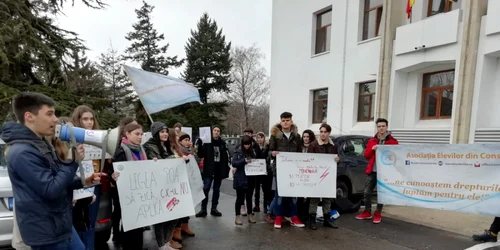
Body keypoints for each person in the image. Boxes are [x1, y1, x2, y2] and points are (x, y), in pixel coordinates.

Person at [1, 92, 101, 250]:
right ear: (29, 117)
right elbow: (50, 189)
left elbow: (56, 179)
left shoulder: (40, 144)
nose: (55, 119)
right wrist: (71, 161)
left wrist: (82, 181)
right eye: (49, 114)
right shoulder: (22, 152)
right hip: (46, 233)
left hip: (59, 225)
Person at [143, 122, 185, 250]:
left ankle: (167, 241)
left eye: (166, 131)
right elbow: (158, 164)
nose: (165, 134)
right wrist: (175, 159)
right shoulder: (149, 146)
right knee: (160, 217)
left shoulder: (167, 146)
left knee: (173, 215)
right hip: (158, 187)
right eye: (162, 131)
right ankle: (161, 244)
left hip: (170, 185)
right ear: (156, 134)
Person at [110, 123, 147, 250]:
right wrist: (113, 176)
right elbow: (113, 173)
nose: (140, 137)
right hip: (126, 196)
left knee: (138, 226)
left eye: (141, 134)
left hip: (140, 194)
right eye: (137, 134)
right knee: (129, 227)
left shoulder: (141, 150)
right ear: (127, 134)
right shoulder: (120, 151)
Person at [355, 118, 398, 224]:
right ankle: (367, 211)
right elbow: (366, 155)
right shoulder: (372, 141)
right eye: (379, 126)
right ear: (377, 128)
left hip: (385, 172)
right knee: (367, 192)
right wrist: (372, 149)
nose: (381, 128)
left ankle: (378, 213)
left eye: (383, 126)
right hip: (373, 170)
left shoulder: (393, 142)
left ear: (387, 127)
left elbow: (396, 156)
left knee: (381, 193)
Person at [70, 105, 100, 250]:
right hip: (78, 186)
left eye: (91, 119)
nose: (89, 122)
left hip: (93, 185)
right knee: (79, 224)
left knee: (90, 223)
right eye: (85, 119)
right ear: (77, 120)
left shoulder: (98, 140)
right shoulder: (70, 139)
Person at [269, 112, 305, 229]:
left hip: (294, 170)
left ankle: (294, 217)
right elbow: (269, 151)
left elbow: (299, 153)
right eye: (283, 120)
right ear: (281, 122)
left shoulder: (297, 136)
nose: (285, 122)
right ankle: (278, 217)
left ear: (291, 121)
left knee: (294, 195)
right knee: (279, 194)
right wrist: (272, 153)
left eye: (287, 120)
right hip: (280, 169)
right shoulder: (275, 136)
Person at [307, 123, 340, 230]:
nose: (323, 134)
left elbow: (336, 160)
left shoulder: (333, 146)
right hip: (316, 176)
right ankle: (312, 220)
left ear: (329, 133)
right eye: (321, 131)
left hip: (328, 176)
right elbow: (309, 160)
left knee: (327, 198)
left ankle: (327, 219)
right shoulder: (313, 145)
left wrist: (337, 160)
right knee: (314, 198)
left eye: (325, 132)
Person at [111, 117, 138, 243]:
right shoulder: (118, 146)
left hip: (134, 186)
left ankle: (124, 233)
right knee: (118, 210)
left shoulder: (138, 147)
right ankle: (117, 233)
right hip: (120, 185)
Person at [195, 126, 230, 217]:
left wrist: (226, 169)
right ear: (212, 132)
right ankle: (203, 209)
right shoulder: (207, 142)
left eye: (218, 131)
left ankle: (214, 208)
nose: (216, 132)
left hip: (219, 169)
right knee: (206, 188)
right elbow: (200, 154)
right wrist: (199, 144)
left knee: (216, 189)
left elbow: (226, 157)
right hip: (209, 169)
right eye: (215, 130)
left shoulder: (222, 143)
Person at [232, 135, 258, 225]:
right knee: (239, 198)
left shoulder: (252, 152)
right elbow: (234, 162)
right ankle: (237, 216)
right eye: (245, 144)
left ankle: (250, 215)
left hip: (250, 178)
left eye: (248, 144)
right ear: (242, 144)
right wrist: (244, 161)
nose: (247, 146)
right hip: (241, 178)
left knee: (249, 198)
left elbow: (256, 161)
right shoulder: (238, 151)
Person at [177, 132, 196, 237]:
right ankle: (178, 229)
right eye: (185, 140)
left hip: (189, 181)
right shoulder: (178, 151)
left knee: (188, 204)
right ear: (180, 141)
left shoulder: (189, 151)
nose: (188, 142)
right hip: (180, 183)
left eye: (189, 140)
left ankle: (185, 226)